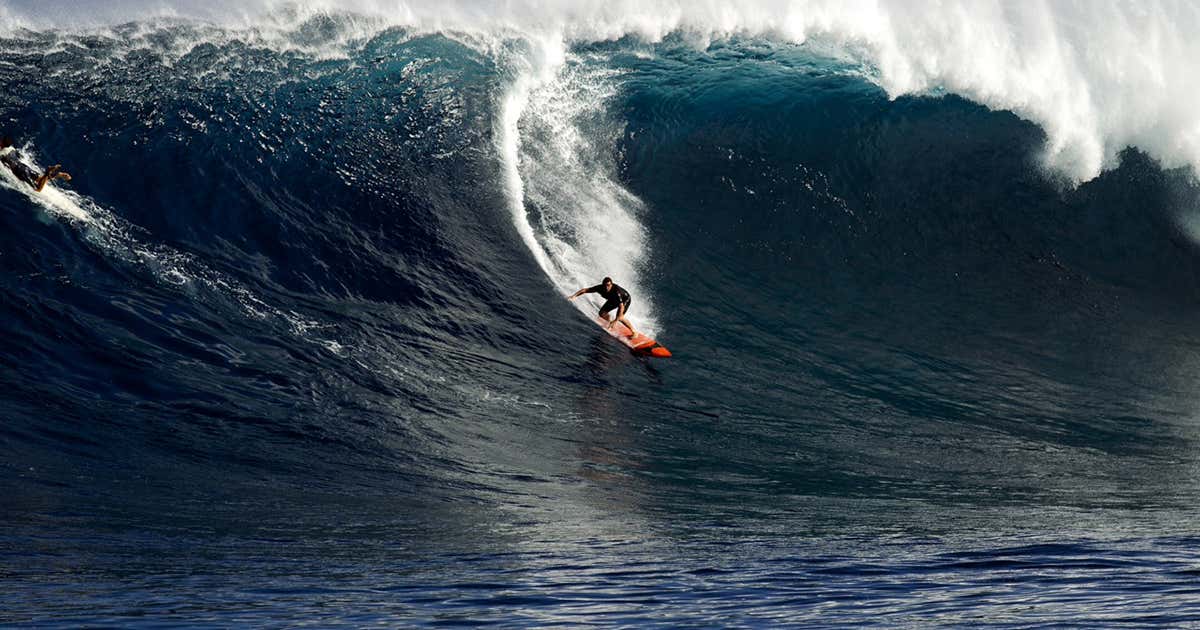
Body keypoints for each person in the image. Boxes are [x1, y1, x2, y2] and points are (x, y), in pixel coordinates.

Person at [568, 276, 638, 338]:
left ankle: (634, 331)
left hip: (625, 299)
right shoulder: (600, 288)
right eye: (605, 285)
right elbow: (585, 290)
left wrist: (616, 320)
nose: (606, 287)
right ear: (602, 285)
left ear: (611, 284)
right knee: (601, 313)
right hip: (613, 299)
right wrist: (573, 296)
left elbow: (621, 307)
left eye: (608, 285)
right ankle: (610, 322)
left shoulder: (616, 291)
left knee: (620, 317)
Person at [0, 136, 71, 193]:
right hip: (24, 167)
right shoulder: (11, 148)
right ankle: (58, 174)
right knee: (39, 179)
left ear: (2, 143)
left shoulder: (1, 154)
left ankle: (47, 173)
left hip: (19, 171)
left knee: (37, 189)